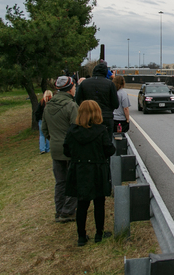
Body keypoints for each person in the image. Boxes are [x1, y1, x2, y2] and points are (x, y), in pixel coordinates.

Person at [64, 100, 116, 246]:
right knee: (99, 202)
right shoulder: (101, 130)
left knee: (82, 203)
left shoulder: (72, 130)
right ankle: (99, 234)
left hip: (80, 170)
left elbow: (66, 150)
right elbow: (109, 150)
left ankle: (81, 236)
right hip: (97, 170)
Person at [42, 76, 78, 223]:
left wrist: (55, 141)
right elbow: (76, 129)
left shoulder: (48, 106)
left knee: (60, 182)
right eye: (74, 87)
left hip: (56, 149)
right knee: (73, 181)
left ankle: (59, 210)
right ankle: (68, 211)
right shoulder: (71, 106)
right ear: (69, 89)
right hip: (70, 149)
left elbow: (44, 129)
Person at [75, 62, 119, 138]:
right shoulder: (110, 84)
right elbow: (115, 103)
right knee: (106, 142)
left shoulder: (84, 83)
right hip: (105, 117)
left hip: (88, 117)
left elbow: (78, 100)